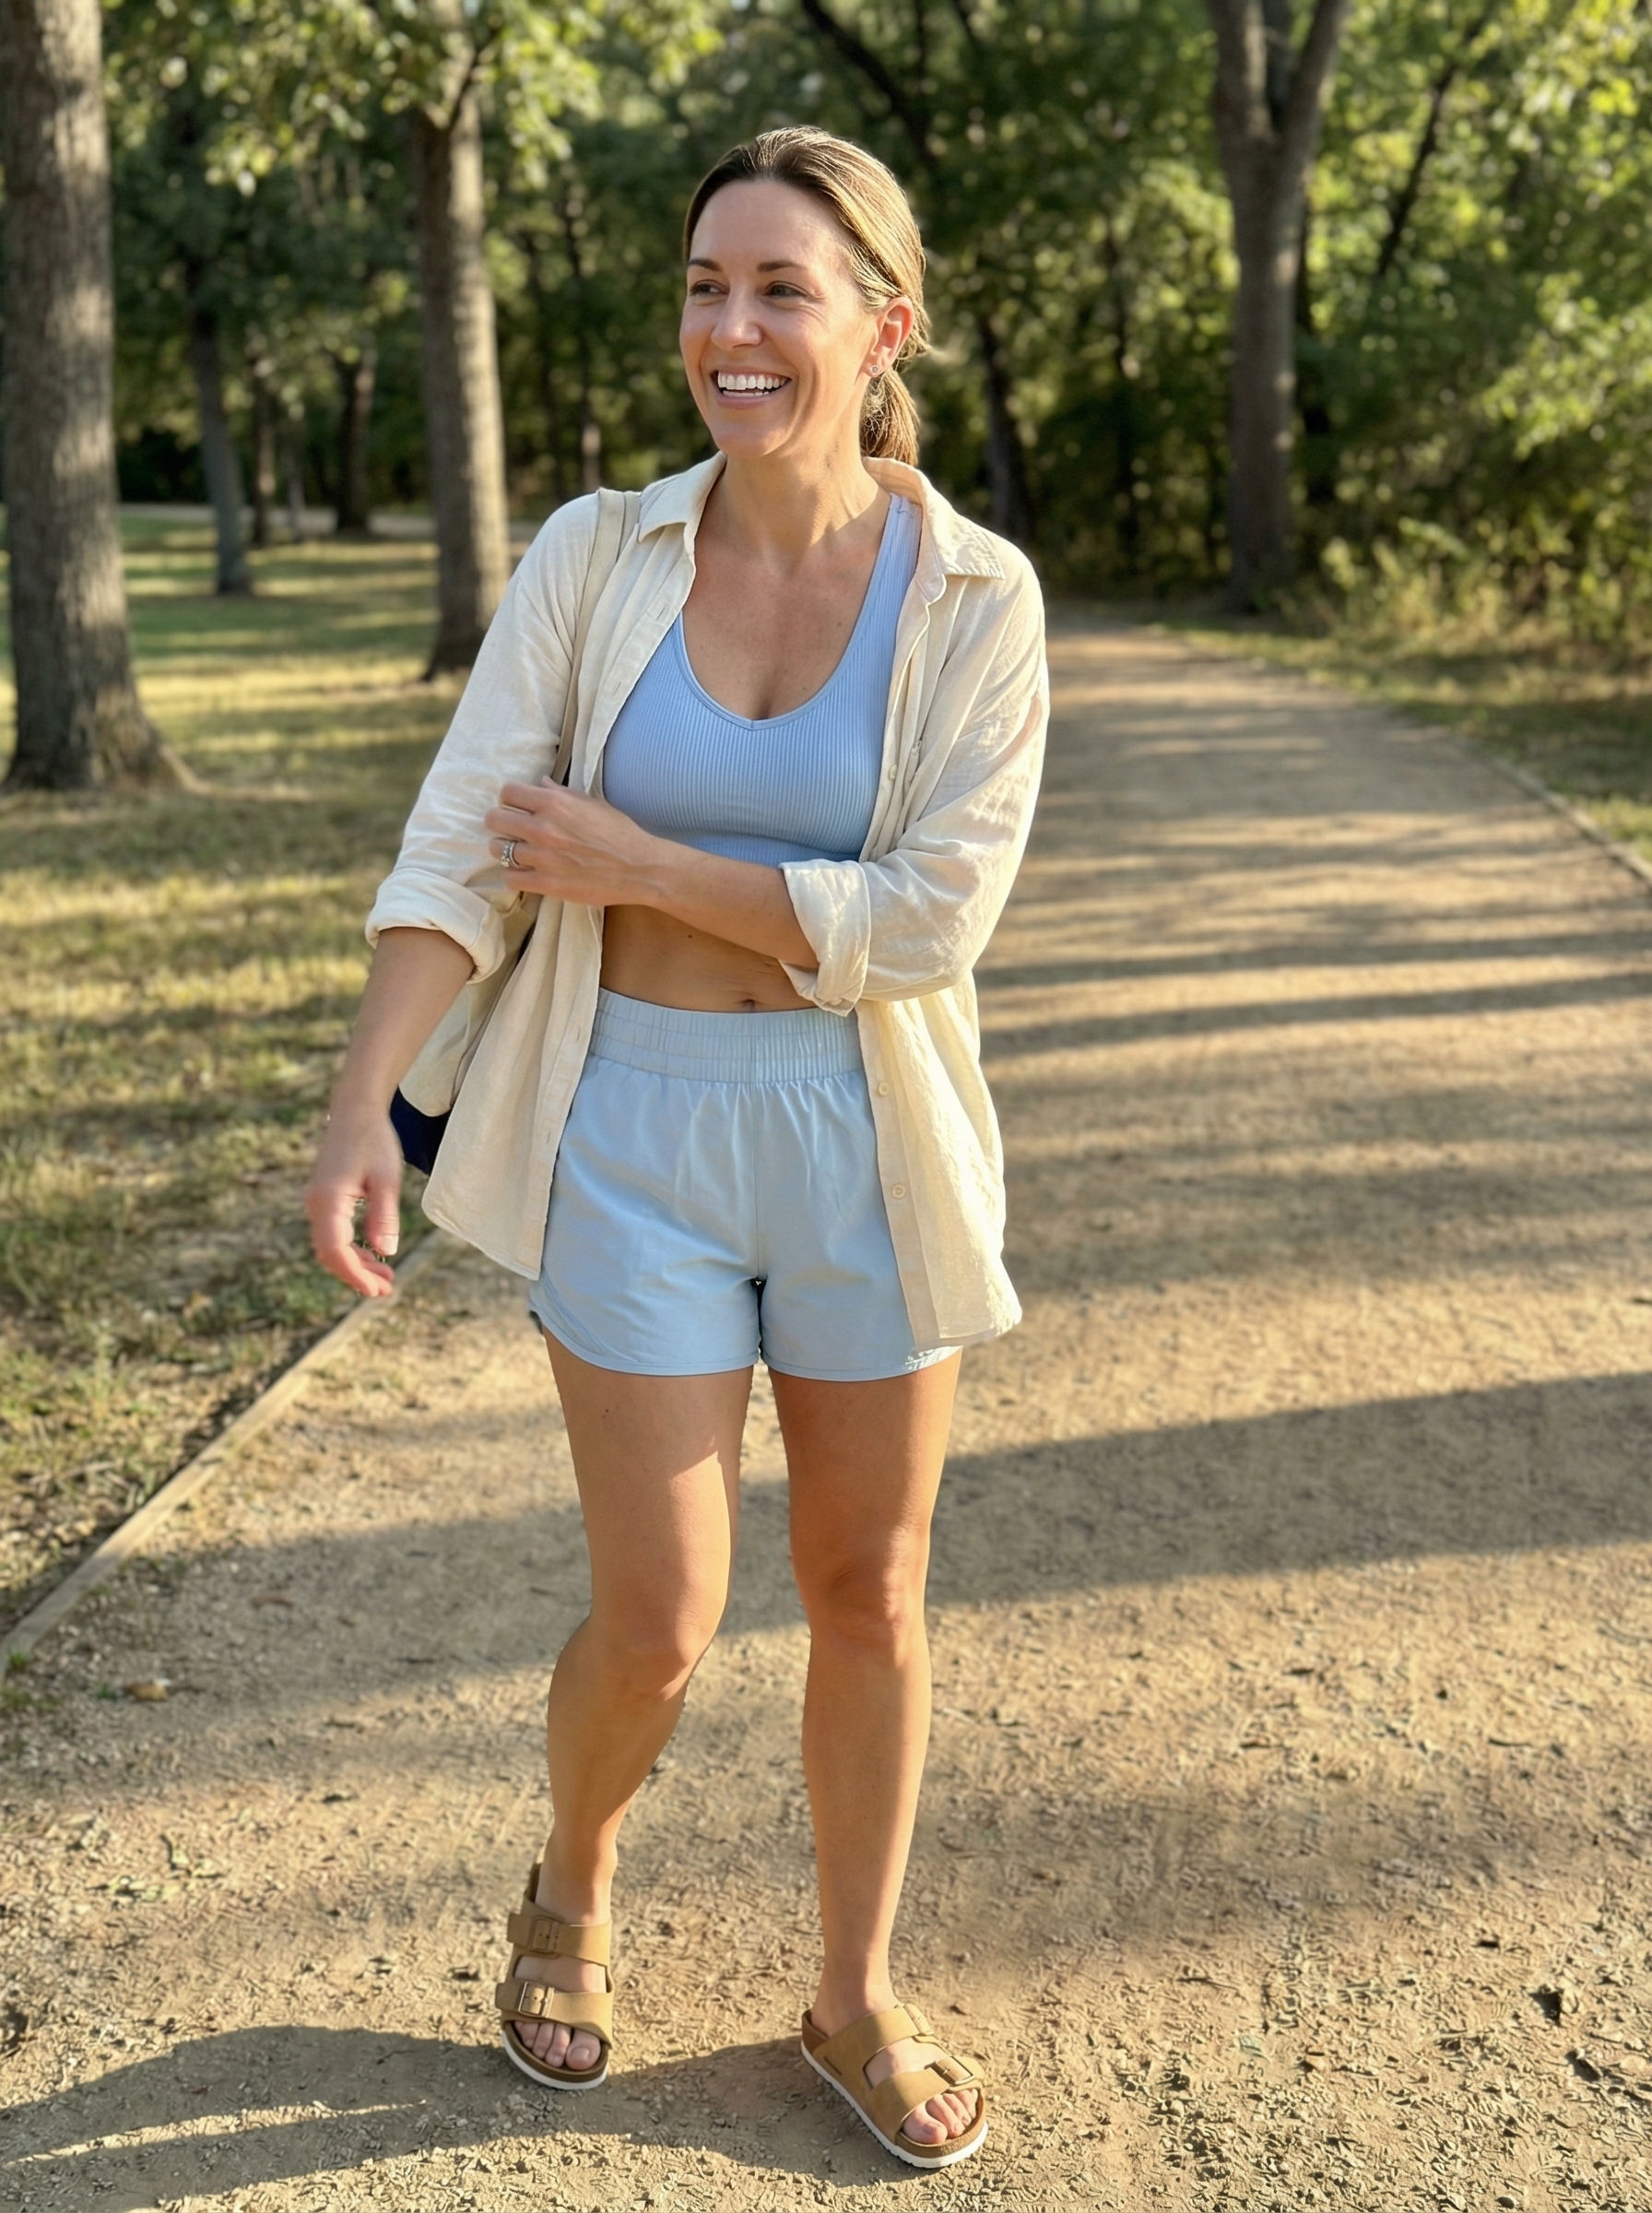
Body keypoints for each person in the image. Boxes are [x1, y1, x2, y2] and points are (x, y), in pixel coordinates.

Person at [305, 124, 1045, 2172]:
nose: (729, 325)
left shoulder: (972, 594)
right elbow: (469, 825)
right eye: (706, 285)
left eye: (779, 290)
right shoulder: (596, 555)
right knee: (657, 1613)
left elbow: (926, 917)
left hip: (864, 1141)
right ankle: (568, 1885)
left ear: (880, 328)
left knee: (871, 1591)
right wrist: (368, 1088)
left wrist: (641, 858)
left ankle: (852, 1994)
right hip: (627, 1124)